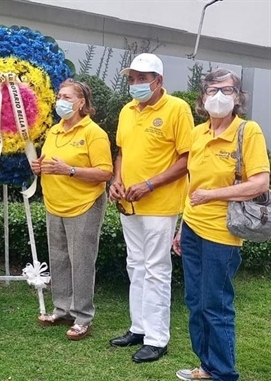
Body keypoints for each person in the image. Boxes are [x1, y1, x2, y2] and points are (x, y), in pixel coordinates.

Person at [173, 69, 269, 381]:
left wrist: (213, 194)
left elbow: (259, 183)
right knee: (195, 303)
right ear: (202, 98)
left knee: (216, 305)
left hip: (223, 233)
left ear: (238, 97)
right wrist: (181, 227)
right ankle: (206, 366)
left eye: (227, 90)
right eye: (213, 90)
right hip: (192, 229)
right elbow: (192, 185)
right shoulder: (198, 133)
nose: (219, 96)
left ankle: (224, 373)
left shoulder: (248, 131)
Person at [108, 53, 194, 362]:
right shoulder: (127, 110)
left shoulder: (177, 109)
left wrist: (150, 184)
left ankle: (157, 339)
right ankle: (139, 328)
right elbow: (122, 152)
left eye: (141, 79)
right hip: (128, 204)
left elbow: (186, 159)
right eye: (131, 79)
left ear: (158, 81)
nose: (135, 84)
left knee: (156, 270)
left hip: (159, 204)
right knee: (136, 265)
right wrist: (116, 181)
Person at [30, 79, 112, 340]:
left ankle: (83, 316)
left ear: (81, 103)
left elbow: (105, 172)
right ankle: (62, 309)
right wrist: (38, 168)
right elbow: (48, 163)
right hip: (55, 204)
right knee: (59, 259)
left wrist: (70, 170)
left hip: (84, 205)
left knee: (82, 261)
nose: (60, 101)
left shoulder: (93, 133)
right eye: (59, 96)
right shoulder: (54, 131)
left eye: (67, 97)